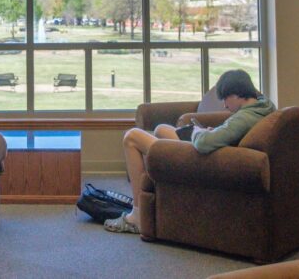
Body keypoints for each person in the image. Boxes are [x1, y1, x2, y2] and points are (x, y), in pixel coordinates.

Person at [104, 69, 276, 234]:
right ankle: (159, 193)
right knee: (162, 129)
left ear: (237, 94)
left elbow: (203, 144)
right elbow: (230, 133)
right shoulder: (264, 106)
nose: (224, 105)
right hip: (217, 152)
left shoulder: (244, 118)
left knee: (132, 137)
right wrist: (214, 132)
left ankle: (138, 215)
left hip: (204, 160)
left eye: (226, 99)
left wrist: (199, 132)